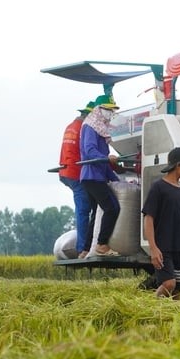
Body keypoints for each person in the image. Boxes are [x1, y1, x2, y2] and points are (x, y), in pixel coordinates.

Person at [142, 144, 180, 299]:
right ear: (178, 166)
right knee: (169, 284)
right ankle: (151, 307)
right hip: (164, 246)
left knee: (177, 290)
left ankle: (174, 320)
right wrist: (153, 248)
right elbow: (148, 218)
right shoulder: (158, 188)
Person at [80, 94, 121, 257]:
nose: (110, 114)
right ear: (99, 110)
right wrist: (107, 158)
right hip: (92, 176)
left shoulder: (100, 129)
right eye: (108, 110)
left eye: (113, 111)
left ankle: (85, 249)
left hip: (95, 176)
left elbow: (104, 163)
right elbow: (90, 151)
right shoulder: (90, 127)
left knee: (96, 212)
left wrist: (117, 180)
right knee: (112, 208)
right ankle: (102, 244)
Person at [58, 101, 96, 259]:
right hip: (76, 172)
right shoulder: (83, 128)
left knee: (82, 209)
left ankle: (84, 245)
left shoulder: (71, 126)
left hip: (66, 171)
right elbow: (88, 151)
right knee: (84, 210)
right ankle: (83, 248)